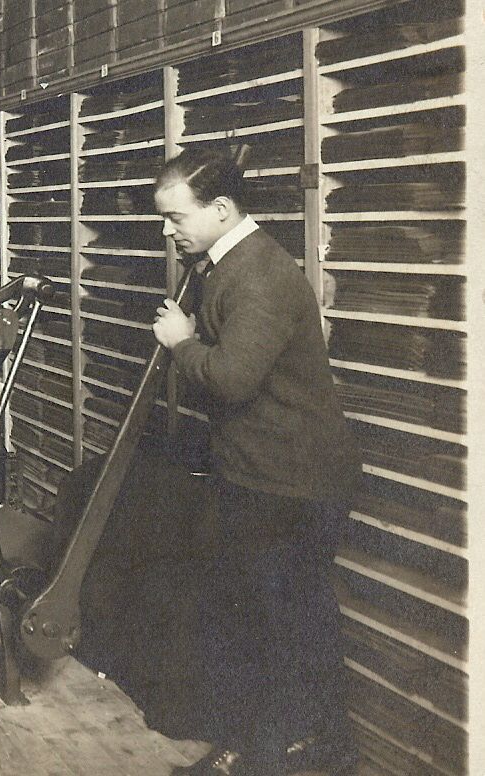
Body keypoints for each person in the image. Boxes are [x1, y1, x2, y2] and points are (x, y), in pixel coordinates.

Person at [148, 148, 359, 776]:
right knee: (268, 619)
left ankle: (281, 756)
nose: (168, 230)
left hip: (292, 483)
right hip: (258, 475)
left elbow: (234, 380)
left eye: (176, 217)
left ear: (219, 209)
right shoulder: (224, 263)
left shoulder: (259, 273)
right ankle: (282, 751)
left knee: (278, 624)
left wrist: (183, 344)